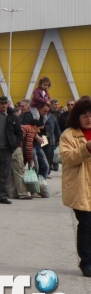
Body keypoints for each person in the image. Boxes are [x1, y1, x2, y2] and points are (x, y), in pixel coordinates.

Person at [59, 98, 91, 278]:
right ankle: (86, 263)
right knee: (86, 225)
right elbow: (67, 157)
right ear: (77, 117)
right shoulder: (69, 135)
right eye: (85, 116)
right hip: (80, 187)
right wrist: (86, 148)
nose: (88, 119)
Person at [39, 102, 60, 177]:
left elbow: (56, 129)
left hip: (50, 139)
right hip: (40, 139)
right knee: (41, 156)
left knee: (49, 156)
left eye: (47, 111)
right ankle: (41, 171)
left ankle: (47, 172)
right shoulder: (38, 117)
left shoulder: (51, 117)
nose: (45, 112)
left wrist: (60, 139)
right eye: (44, 110)